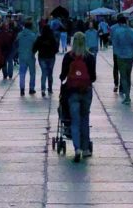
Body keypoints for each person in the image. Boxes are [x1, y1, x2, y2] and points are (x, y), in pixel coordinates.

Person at [60, 32, 97, 163]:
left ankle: (77, 149)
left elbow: (62, 76)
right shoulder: (90, 57)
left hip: (72, 92)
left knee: (75, 120)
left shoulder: (68, 57)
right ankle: (86, 148)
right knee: (85, 118)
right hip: (86, 91)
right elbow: (93, 77)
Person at [109, 15, 133, 104]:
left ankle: (127, 96)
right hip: (130, 56)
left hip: (121, 56)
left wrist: (117, 54)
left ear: (119, 22)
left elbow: (114, 44)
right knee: (128, 76)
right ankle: (127, 94)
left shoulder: (117, 31)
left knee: (123, 76)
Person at [34, 21, 58, 97]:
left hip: (42, 57)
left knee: (44, 72)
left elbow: (35, 47)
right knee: (50, 73)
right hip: (51, 57)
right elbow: (56, 48)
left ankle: (43, 89)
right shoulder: (52, 38)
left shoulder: (40, 38)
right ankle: (50, 88)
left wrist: (34, 52)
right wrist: (53, 52)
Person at [16, 19, 38, 96]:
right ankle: (31, 89)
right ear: (31, 27)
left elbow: (16, 43)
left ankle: (22, 89)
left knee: (22, 73)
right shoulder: (33, 35)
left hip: (21, 56)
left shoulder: (19, 34)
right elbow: (36, 45)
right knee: (32, 73)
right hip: (30, 56)